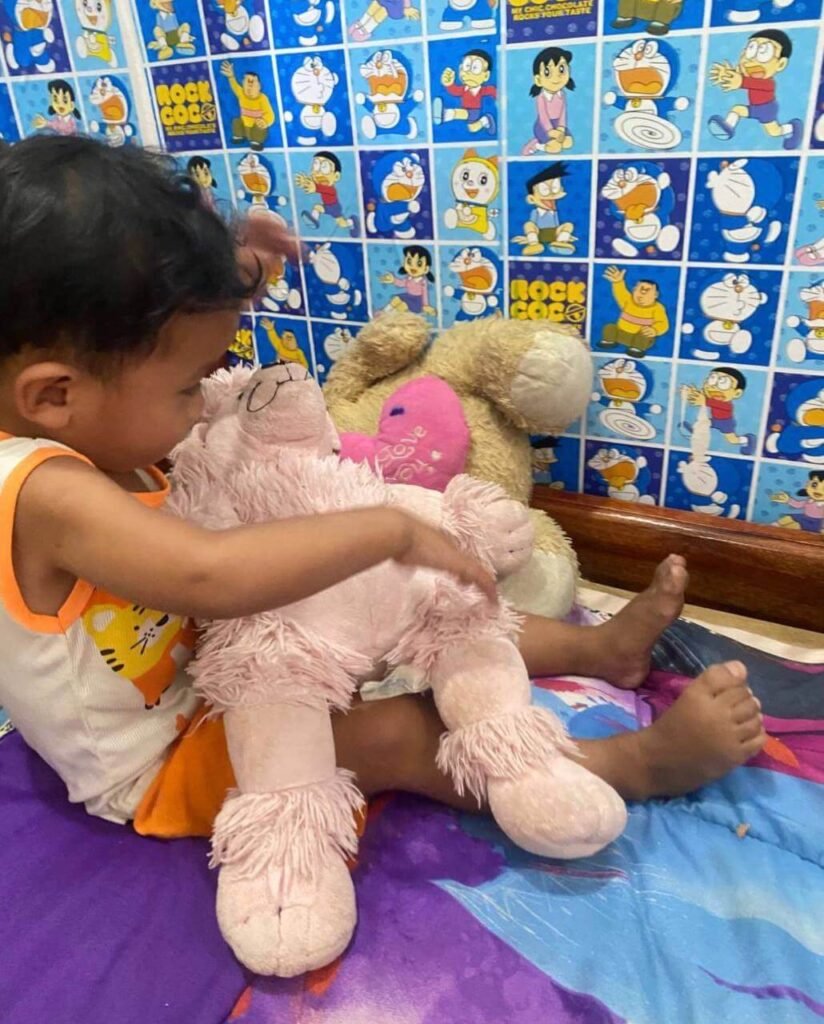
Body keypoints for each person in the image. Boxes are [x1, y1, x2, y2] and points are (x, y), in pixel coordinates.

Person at [0, 136, 764, 842]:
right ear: (54, 395)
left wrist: (236, 270)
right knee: (396, 730)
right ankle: (633, 765)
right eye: (188, 386)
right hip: (166, 762)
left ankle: (598, 650)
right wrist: (387, 530)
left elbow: (140, 328)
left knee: (419, 604)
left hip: (233, 663)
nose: (204, 404)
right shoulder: (38, 492)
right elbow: (208, 573)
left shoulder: (83, 422)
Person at [707, 29, 802, 150]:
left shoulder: (768, 83)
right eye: (750, 50)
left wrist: (740, 82)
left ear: (781, 64)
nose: (751, 60)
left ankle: (793, 127)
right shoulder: (748, 74)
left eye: (764, 52)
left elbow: (751, 83)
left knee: (774, 132)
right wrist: (726, 74)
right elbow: (741, 76)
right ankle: (727, 128)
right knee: (737, 110)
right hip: (755, 107)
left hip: (767, 108)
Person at [600, 265, 668, 356]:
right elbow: (620, 293)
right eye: (639, 290)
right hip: (621, 334)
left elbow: (663, 323)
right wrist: (618, 282)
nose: (642, 294)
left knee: (645, 336)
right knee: (610, 327)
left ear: (656, 295)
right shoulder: (628, 301)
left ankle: (636, 349)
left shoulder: (657, 308)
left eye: (647, 291)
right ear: (633, 290)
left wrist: (654, 330)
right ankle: (609, 342)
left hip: (639, 338)